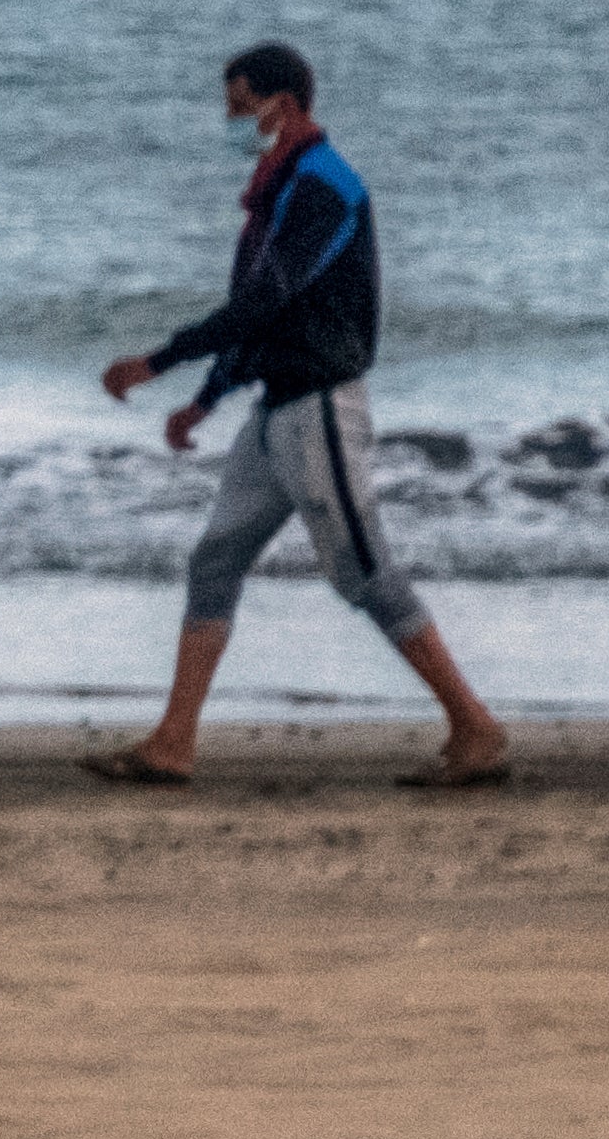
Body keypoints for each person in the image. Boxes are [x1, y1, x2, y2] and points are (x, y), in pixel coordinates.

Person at [90, 42, 508, 791]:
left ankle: (473, 726)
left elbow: (262, 301)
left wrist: (157, 361)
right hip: (274, 409)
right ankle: (172, 742)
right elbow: (263, 314)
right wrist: (206, 399)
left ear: (280, 105)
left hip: (318, 410)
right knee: (213, 558)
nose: (228, 119)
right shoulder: (277, 186)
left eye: (236, 104)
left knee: (362, 571)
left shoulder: (323, 185)